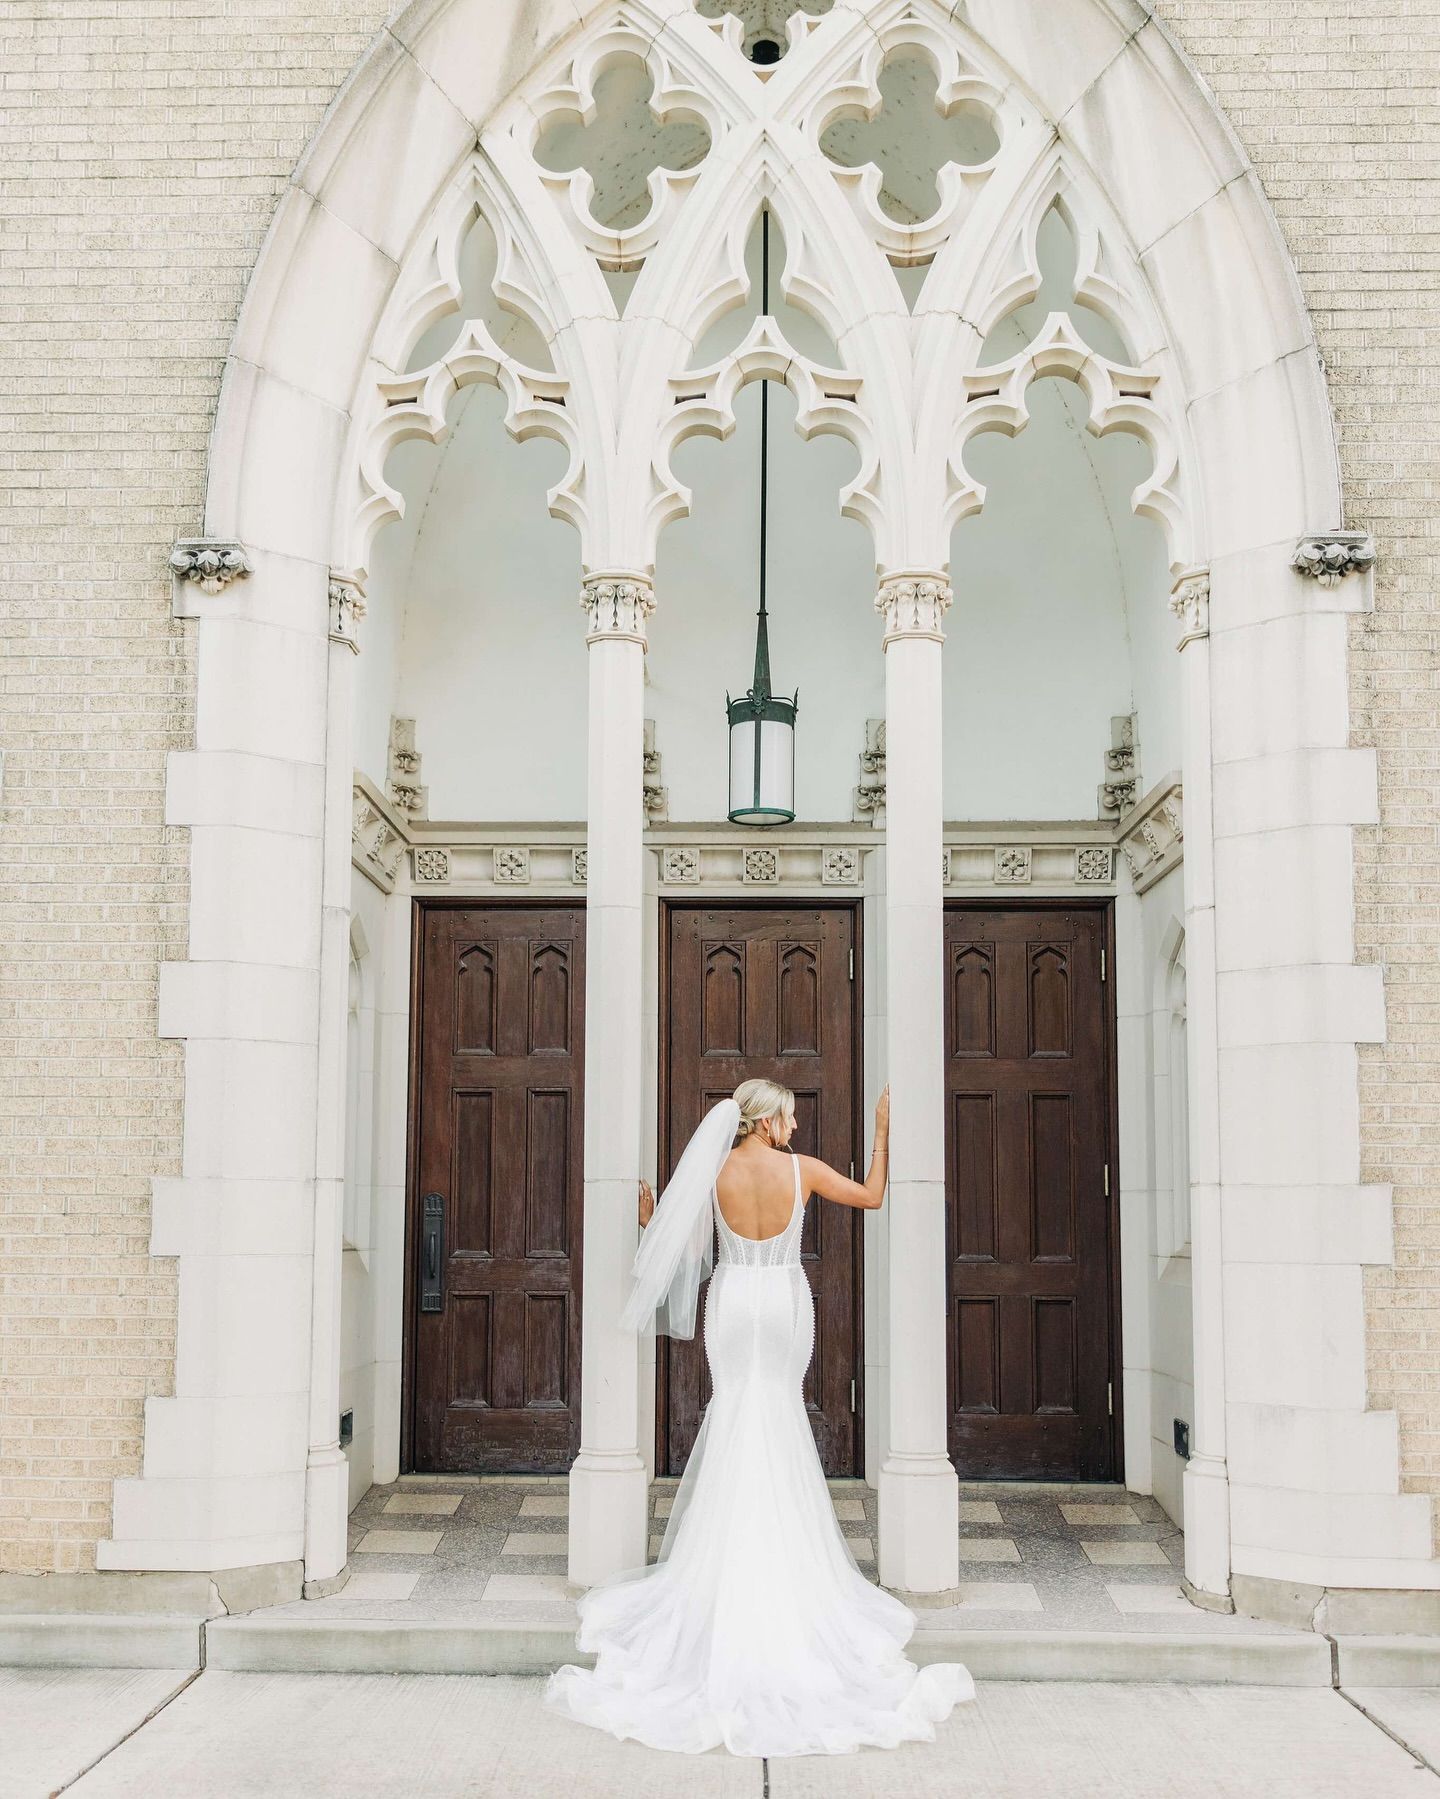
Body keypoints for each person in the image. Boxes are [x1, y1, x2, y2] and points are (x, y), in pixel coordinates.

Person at [544, 1079, 974, 1757]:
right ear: (767, 1120)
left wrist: (650, 1212)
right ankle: (784, 1569)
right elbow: (871, 1195)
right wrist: (883, 1131)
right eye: (792, 1118)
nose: (796, 1129)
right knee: (777, 1412)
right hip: (780, 1304)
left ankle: (725, 1571)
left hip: (734, 1298)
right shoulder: (801, 1172)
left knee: (736, 1413)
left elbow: (687, 1256)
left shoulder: (713, 1172)